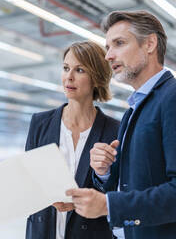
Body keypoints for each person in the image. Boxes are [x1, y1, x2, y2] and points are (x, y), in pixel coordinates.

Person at [66, 11, 176, 239]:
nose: (108, 56)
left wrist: (110, 205)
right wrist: (105, 172)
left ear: (150, 43)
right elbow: (132, 185)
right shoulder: (133, 111)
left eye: (119, 43)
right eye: (108, 47)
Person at [25, 41, 120, 239]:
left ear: (96, 77)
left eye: (79, 70)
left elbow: (118, 191)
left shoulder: (114, 130)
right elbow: (30, 182)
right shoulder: (40, 123)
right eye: (66, 68)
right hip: (44, 231)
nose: (69, 76)